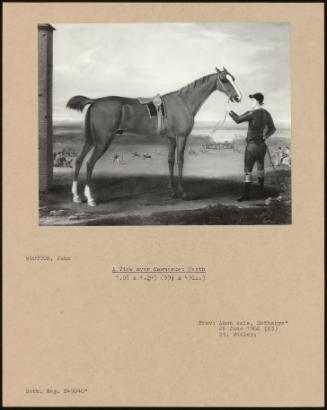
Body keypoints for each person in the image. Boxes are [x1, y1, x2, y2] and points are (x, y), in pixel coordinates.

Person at [227, 92, 276, 201]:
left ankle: (246, 195)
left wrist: (229, 110)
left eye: (252, 100)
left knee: (248, 171)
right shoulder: (266, 113)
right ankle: (261, 191)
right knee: (260, 168)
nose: (251, 102)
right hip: (262, 146)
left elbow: (238, 120)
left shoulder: (252, 113)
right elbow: (273, 129)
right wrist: (265, 136)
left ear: (257, 101)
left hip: (252, 146)